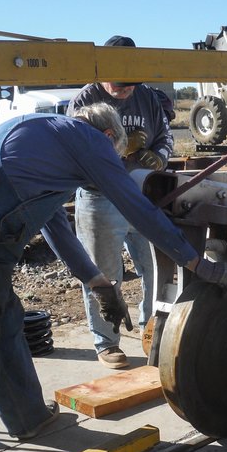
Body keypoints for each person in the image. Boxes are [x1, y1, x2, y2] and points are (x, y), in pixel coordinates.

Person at [0, 102, 227, 452]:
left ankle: (29, 417)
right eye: (112, 157)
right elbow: (138, 209)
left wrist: (98, 282)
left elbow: (54, 227)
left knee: (1, 321)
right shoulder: (89, 141)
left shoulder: (43, 137)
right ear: (110, 137)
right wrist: (198, 263)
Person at [69, 35, 174, 369]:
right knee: (104, 275)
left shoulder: (147, 98)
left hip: (141, 195)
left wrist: (158, 157)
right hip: (100, 197)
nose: (126, 90)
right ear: (104, 73)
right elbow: (75, 152)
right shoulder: (86, 99)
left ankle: (151, 330)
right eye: (120, 84)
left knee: (156, 269)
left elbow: (166, 136)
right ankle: (106, 342)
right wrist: (122, 150)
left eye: (131, 85)